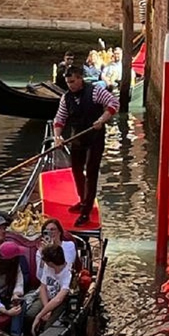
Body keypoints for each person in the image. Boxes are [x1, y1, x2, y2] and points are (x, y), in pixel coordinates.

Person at [53, 66, 119, 226]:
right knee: (76, 169)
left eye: (73, 81)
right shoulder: (66, 98)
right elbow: (59, 119)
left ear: (80, 78)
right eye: (68, 82)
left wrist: (102, 119)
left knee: (91, 171)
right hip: (77, 137)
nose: (70, 85)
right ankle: (83, 200)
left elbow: (114, 103)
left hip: (95, 137)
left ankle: (86, 211)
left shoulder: (96, 91)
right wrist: (57, 137)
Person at [28, 244, 72, 336]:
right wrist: (46, 309)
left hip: (59, 303)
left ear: (51, 262)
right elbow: (43, 287)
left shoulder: (68, 274)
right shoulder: (48, 267)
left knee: (49, 326)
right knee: (29, 314)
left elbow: (59, 299)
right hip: (46, 298)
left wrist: (40, 315)